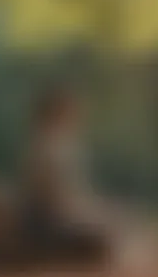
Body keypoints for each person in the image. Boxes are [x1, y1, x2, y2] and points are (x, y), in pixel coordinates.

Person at [21, 89, 107, 255]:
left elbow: (74, 189)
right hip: (52, 217)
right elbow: (48, 196)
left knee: (110, 218)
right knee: (103, 226)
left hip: (66, 210)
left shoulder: (64, 145)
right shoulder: (46, 146)